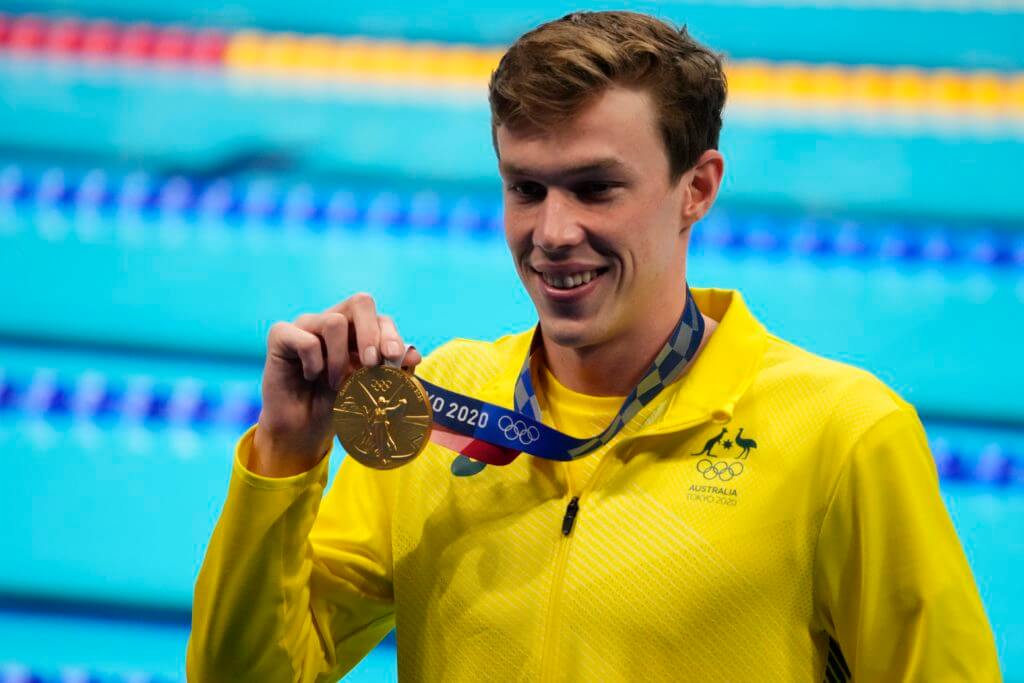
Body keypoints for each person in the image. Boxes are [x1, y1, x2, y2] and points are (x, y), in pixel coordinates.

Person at [186, 11, 999, 682]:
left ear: (698, 187)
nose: (552, 233)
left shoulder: (839, 432)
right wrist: (286, 456)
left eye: (595, 188)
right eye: (526, 188)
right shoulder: (437, 409)